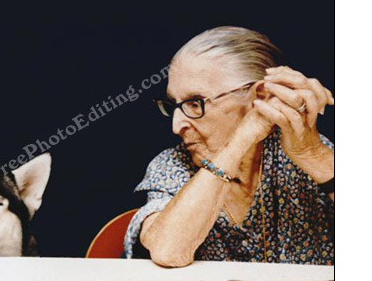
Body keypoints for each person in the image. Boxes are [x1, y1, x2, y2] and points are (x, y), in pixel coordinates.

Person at [124, 27, 334, 266]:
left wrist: (311, 153)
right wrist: (242, 138)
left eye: (195, 103)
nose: (176, 125)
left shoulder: (306, 154)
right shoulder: (172, 165)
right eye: (174, 104)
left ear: (260, 97)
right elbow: (168, 252)